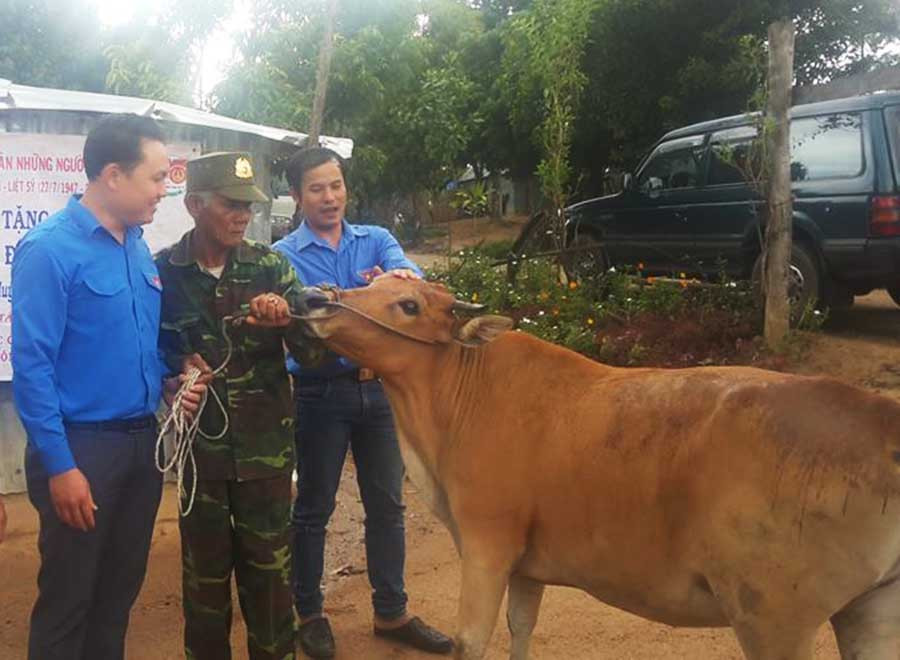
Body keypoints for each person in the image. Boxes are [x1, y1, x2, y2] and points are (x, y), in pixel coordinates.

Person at [11, 113, 204, 660]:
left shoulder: (136, 246)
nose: (164, 190)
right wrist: (61, 466)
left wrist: (170, 383)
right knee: (68, 602)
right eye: (157, 177)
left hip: (142, 446)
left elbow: (134, 346)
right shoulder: (49, 250)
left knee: (117, 598)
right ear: (114, 175)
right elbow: (33, 368)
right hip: (82, 451)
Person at [274, 147, 454, 659]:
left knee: (388, 505)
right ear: (297, 196)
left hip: (380, 393)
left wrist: (394, 282)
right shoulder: (282, 256)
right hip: (320, 394)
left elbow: (410, 283)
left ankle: (392, 611)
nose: (329, 197)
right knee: (314, 507)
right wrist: (368, 299)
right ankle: (309, 613)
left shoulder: (376, 240)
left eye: (336, 185)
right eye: (316, 188)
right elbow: (303, 321)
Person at [156, 151, 325, 660]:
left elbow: (315, 355)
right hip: (201, 461)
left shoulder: (271, 267)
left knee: (271, 585)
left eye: (247, 206)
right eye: (230, 204)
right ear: (194, 205)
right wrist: (174, 371)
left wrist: (288, 322)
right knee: (204, 588)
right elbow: (149, 352)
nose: (242, 216)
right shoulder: (163, 273)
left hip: (265, 458)